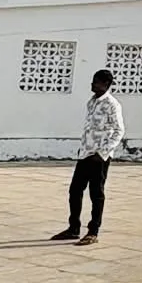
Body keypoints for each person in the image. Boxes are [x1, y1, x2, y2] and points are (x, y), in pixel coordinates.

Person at [51, 69, 124, 246]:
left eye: (96, 82)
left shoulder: (112, 104)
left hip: (99, 157)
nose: (93, 85)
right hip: (85, 154)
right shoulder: (91, 103)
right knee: (75, 191)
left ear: (106, 84)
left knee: (96, 194)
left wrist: (103, 153)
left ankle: (93, 231)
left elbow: (119, 130)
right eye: (93, 81)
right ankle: (73, 228)